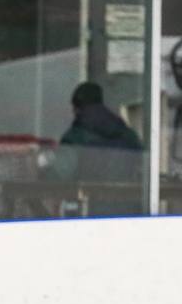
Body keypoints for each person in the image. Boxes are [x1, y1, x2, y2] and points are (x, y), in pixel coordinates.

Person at [54, 81, 143, 212]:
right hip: (130, 212)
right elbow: (143, 164)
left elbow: (60, 174)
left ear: (77, 108)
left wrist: (42, 166)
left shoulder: (75, 137)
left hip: (91, 212)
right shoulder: (127, 134)